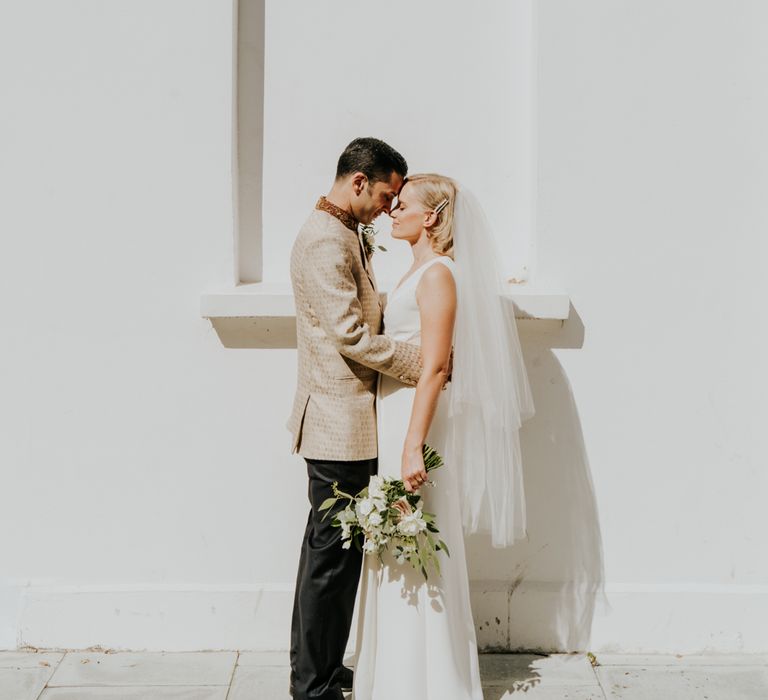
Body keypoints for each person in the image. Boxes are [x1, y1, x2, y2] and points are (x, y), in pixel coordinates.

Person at [351, 174, 536, 699]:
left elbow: (434, 367)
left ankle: (427, 682)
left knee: (416, 535)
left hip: (417, 416)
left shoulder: (438, 274)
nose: (393, 211)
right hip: (396, 414)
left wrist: (414, 443)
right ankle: (394, 675)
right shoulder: (416, 269)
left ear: (430, 217)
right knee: (396, 538)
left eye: (403, 205)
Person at [287, 137, 424, 700]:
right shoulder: (324, 240)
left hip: (347, 420)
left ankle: (321, 668)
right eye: (388, 195)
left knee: (332, 557)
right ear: (359, 181)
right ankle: (313, 686)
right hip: (335, 423)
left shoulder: (345, 230)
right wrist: (419, 361)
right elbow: (348, 335)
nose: (391, 207)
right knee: (330, 561)